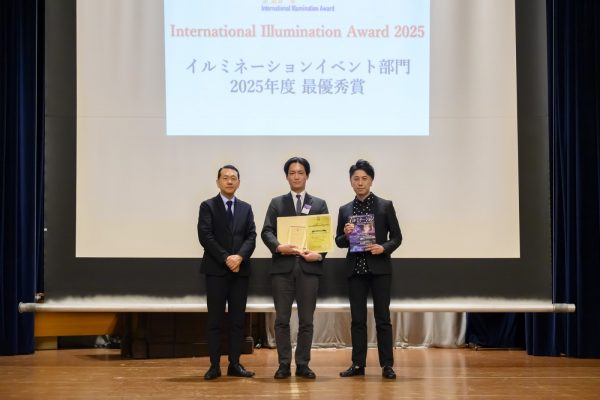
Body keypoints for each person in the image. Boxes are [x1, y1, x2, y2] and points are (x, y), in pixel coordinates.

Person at [261, 157, 328, 380]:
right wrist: (278, 246)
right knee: (282, 320)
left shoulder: (319, 204)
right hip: (282, 270)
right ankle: (283, 364)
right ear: (287, 176)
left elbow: (324, 236)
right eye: (292, 173)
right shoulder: (277, 203)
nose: (296, 176)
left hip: (309, 270)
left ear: (307, 175)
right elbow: (266, 231)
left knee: (307, 321)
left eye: (300, 172)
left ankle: (302, 364)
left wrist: (319, 254)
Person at [335, 159, 402, 379]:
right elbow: (339, 241)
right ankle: (358, 364)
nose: (360, 182)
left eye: (364, 178)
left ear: (371, 180)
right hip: (355, 270)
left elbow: (397, 237)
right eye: (356, 179)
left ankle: (387, 365)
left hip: (380, 269)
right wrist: (346, 235)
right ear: (350, 182)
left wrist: (383, 248)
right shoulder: (345, 209)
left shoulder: (385, 206)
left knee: (383, 319)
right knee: (357, 320)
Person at [197, 165, 257, 380]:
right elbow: (205, 236)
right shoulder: (208, 206)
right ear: (218, 182)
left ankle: (235, 364)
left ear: (238, 182)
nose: (229, 181)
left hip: (240, 272)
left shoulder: (246, 208)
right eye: (225, 178)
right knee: (215, 321)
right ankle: (214, 366)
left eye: (233, 178)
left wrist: (239, 257)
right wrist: (226, 258)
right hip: (216, 270)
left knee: (237, 321)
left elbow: (251, 236)